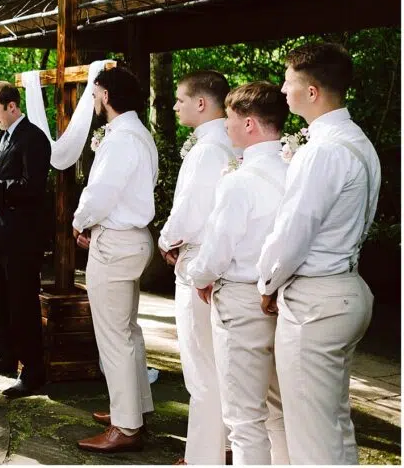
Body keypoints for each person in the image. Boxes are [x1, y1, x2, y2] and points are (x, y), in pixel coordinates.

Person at [257, 43, 379, 464]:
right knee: (332, 423)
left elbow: (294, 230)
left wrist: (266, 283)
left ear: (311, 92)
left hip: (317, 301)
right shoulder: (358, 142)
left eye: (288, 81)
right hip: (346, 288)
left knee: (311, 432)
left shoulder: (321, 151)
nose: (283, 89)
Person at [188, 82, 290, 465]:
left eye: (229, 119)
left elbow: (216, 252)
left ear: (249, 124)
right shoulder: (295, 172)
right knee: (279, 408)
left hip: (241, 302)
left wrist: (198, 277)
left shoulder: (239, 181)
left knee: (243, 418)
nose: (226, 126)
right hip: (284, 297)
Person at [72, 66, 157, 453]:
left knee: (113, 335)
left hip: (116, 241)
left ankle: (125, 426)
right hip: (132, 239)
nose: (92, 102)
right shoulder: (139, 134)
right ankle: (134, 407)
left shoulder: (123, 139)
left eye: (94, 95)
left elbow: (101, 192)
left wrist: (79, 221)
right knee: (128, 330)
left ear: (105, 95)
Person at [158, 70, 236, 465]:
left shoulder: (209, 149)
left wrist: (165, 239)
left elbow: (189, 210)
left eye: (180, 99)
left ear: (202, 103)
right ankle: (220, 447)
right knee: (215, 362)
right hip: (220, 260)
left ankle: (202, 456)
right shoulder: (230, 141)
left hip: (199, 263)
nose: (174, 106)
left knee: (201, 367)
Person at [0, 81, 51, 398]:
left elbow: (32, 187)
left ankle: (32, 371)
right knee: (1, 297)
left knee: (23, 302)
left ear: (12, 106)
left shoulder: (34, 138)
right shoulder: (3, 136)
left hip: (22, 235)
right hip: (0, 231)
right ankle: (4, 355)